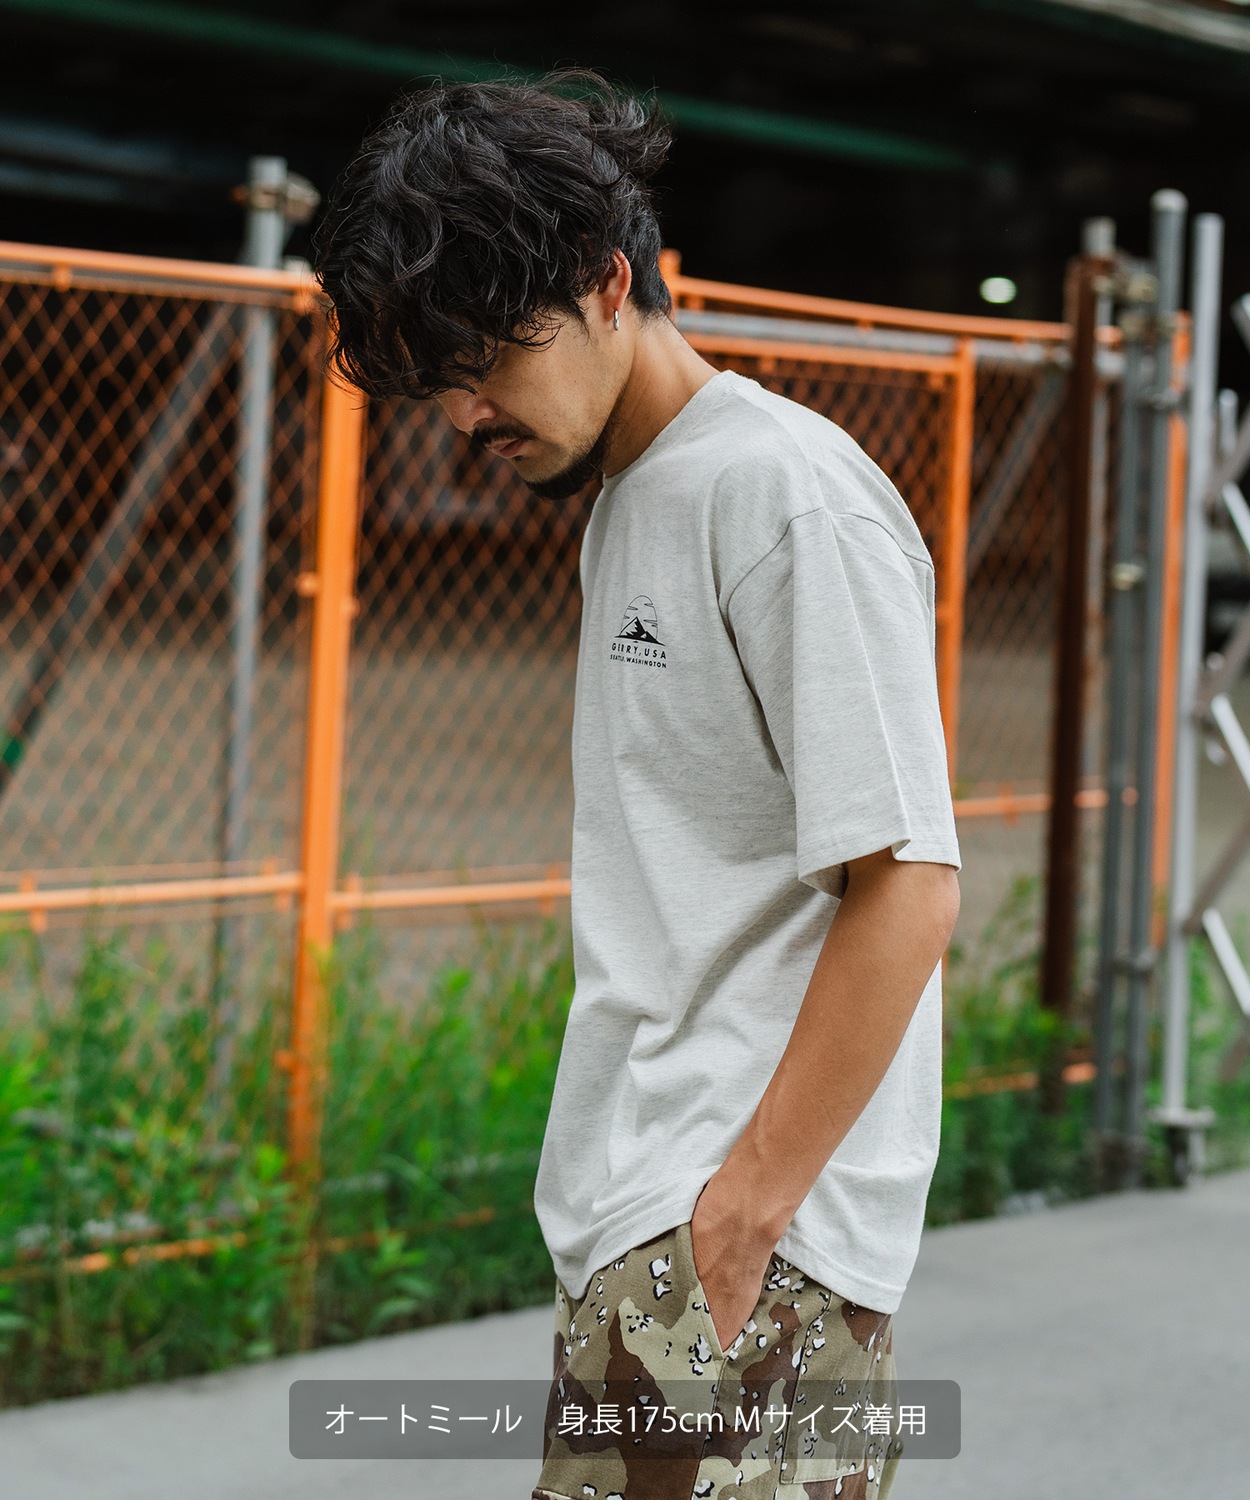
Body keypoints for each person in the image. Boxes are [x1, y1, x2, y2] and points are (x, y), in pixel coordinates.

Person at [314, 69, 961, 1500]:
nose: (465, 411)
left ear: (610, 284)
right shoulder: (636, 493)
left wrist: (742, 1215)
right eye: (436, 380)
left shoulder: (782, 494)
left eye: (489, 357)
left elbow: (908, 883)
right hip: (657, 1216)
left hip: (744, 1246)